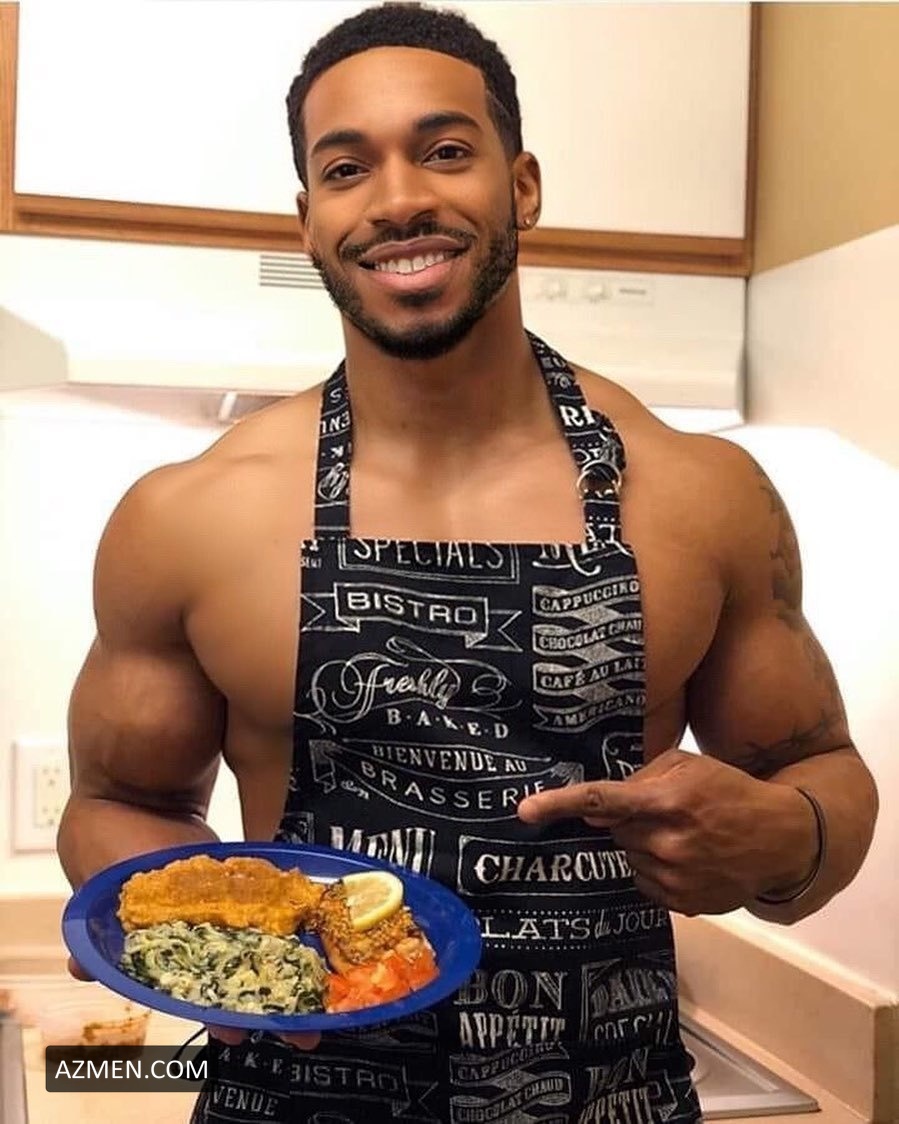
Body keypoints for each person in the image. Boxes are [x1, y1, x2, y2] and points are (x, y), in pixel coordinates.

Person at [58, 4, 878, 1122]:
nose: (396, 198)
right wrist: (185, 932)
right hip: (288, 1100)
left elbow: (821, 772)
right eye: (347, 168)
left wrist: (784, 837)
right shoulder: (190, 514)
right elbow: (117, 800)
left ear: (521, 186)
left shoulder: (698, 494)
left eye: (444, 150)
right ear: (308, 220)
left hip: (613, 1100)